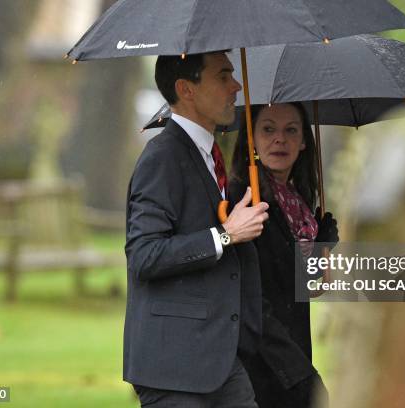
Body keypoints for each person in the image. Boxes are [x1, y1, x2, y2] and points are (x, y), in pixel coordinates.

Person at [124, 51, 270, 407]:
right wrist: (225, 235)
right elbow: (144, 256)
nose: (236, 86)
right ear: (186, 89)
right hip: (174, 368)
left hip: (219, 362)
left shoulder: (209, 154)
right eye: (223, 76)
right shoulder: (162, 157)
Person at [228, 103, 339, 408]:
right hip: (260, 362)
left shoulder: (298, 201)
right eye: (268, 129)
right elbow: (250, 297)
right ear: (251, 140)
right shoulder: (244, 198)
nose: (280, 139)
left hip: (294, 350)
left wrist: (323, 245)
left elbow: (309, 285)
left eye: (291, 130)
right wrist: (295, 370)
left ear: (304, 141)